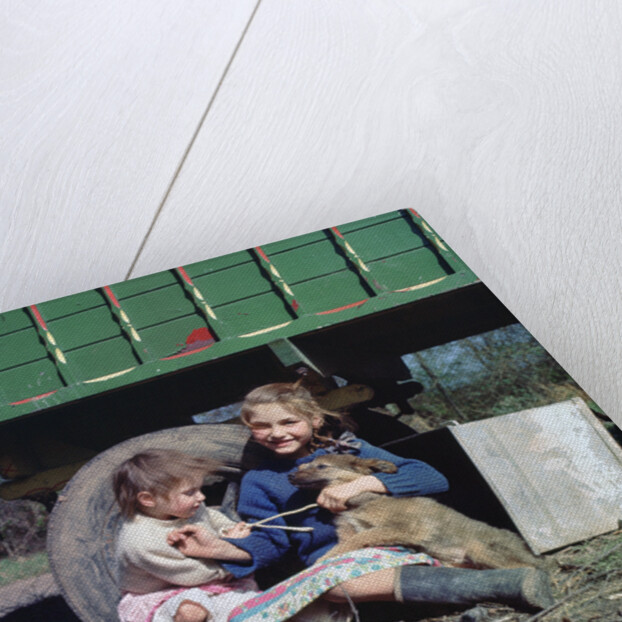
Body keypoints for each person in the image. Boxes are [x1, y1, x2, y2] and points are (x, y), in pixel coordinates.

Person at [168, 382, 554, 617]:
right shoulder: (260, 480)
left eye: (288, 422)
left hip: (402, 542)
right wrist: (221, 546)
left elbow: (429, 477)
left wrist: (362, 485)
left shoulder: (349, 451)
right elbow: (268, 541)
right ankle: (496, 587)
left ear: (314, 421)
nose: (276, 433)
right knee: (334, 586)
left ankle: (496, 585)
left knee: (456, 548)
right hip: (339, 561)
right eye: (262, 426)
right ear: (250, 431)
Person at [112, 449, 260, 622]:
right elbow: (196, 576)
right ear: (148, 499)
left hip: (213, 585)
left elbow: (214, 518)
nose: (201, 497)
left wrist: (228, 531)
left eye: (200, 489)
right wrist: (233, 551)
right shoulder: (141, 540)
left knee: (254, 609)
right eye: (190, 492)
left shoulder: (188, 509)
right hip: (163, 594)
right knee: (192, 610)